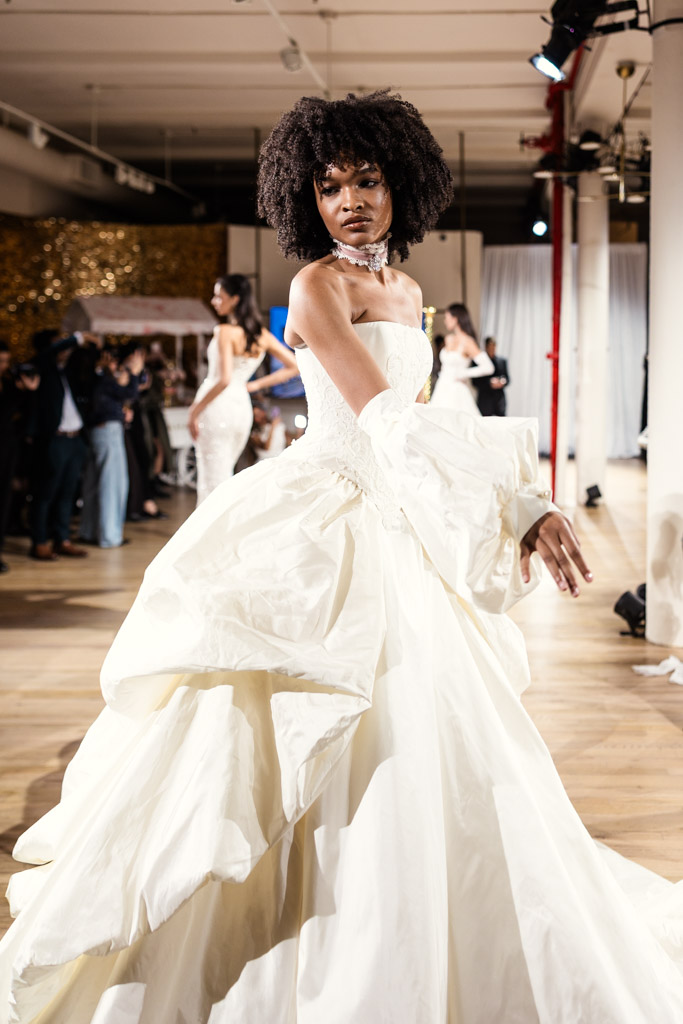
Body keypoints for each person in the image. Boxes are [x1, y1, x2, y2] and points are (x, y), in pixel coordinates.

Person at [2, 92, 683, 1024]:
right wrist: (514, 503)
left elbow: (436, 417)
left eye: (366, 179)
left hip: (402, 526)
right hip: (326, 520)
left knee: (437, 736)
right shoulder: (315, 288)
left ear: (401, 183)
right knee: (299, 730)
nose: (351, 201)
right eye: (329, 186)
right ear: (305, 199)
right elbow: (384, 417)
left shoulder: (411, 295)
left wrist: (517, 496)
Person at [188, 273, 299, 503]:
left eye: (219, 296)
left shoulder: (224, 332)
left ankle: (213, 536)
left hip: (217, 407)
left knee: (212, 483)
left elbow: (224, 379)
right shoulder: (262, 335)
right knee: (224, 476)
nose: (214, 301)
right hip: (240, 409)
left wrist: (195, 410)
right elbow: (294, 365)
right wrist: (253, 385)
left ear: (235, 299)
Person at [27, 329, 100, 561]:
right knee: (45, 493)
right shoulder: (40, 367)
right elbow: (52, 351)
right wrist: (79, 337)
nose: (65, 348)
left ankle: (62, 540)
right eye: (59, 344)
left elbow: (88, 368)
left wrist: (92, 346)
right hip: (55, 441)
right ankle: (39, 542)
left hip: (75, 439)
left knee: (68, 493)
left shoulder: (68, 372)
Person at [78, 345, 143, 549]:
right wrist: (133, 372)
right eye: (111, 359)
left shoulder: (94, 378)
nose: (115, 363)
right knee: (112, 484)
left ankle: (89, 531)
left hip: (98, 432)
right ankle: (109, 536)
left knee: (95, 483)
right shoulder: (102, 378)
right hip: (108, 433)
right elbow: (130, 392)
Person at [0, 343, 40, 573]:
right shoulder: (10, 389)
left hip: (8, 451)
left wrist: (30, 392)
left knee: (4, 502)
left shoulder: (10, 384)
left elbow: (26, 417)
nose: (3, 366)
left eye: (5, 361)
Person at [430, 302, 494, 416]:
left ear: (455, 319)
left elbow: (488, 367)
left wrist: (463, 373)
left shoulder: (468, 342)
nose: (445, 321)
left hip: (457, 391)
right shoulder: (449, 339)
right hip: (442, 388)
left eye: (447, 317)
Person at [474, 335, 510, 416]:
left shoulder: (502, 361)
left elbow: (507, 379)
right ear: (486, 347)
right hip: (485, 400)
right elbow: (475, 381)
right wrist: (490, 383)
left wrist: (502, 382)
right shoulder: (479, 361)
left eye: (493, 347)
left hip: (499, 400)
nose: (492, 349)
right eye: (490, 347)